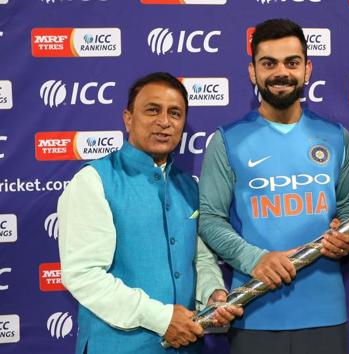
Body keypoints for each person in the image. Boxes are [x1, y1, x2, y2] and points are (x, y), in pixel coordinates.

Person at [198, 19, 349, 354]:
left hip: (325, 313)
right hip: (254, 310)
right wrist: (256, 259)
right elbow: (210, 219)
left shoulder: (336, 137)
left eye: (292, 62)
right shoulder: (227, 140)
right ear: (252, 71)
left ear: (307, 69)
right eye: (268, 63)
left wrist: (348, 234)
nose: (281, 72)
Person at [58, 72, 242, 354]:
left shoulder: (189, 187)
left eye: (175, 113)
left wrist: (212, 294)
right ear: (128, 118)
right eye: (152, 110)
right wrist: (161, 318)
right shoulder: (93, 181)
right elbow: (83, 275)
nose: (164, 122)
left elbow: (201, 259)